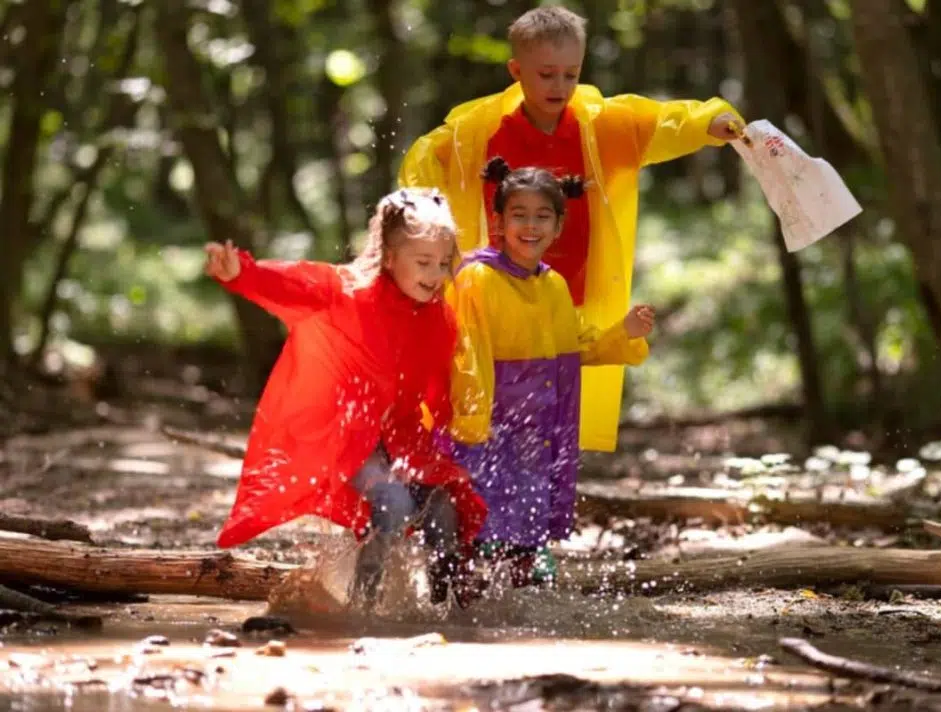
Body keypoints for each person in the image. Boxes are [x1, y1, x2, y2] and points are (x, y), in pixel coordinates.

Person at [399, 4, 744, 455]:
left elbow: (661, 121)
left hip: (569, 295)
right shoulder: (480, 131)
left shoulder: (601, 125)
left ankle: (533, 498)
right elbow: (425, 162)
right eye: (546, 75)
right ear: (516, 70)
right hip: (497, 298)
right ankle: (469, 490)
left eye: (570, 74)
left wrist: (708, 124)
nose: (560, 87)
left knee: (550, 408)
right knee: (484, 396)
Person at [204, 187, 487, 608]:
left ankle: (446, 614)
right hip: (347, 437)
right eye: (423, 262)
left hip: (405, 439)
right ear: (390, 258)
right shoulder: (347, 292)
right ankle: (363, 609)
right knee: (391, 502)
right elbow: (290, 285)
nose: (435, 273)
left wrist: (461, 428)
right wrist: (240, 274)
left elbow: (438, 390)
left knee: (445, 510)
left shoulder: (439, 317)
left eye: (443, 264)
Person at [447, 158, 655, 587]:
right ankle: (457, 609)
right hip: (486, 431)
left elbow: (574, 351)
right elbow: (465, 355)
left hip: (539, 435)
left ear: (559, 226)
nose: (531, 226)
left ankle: (519, 607)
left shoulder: (554, 285)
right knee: (472, 531)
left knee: (524, 536)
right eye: (519, 215)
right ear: (498, 221)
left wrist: (624, 334)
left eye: (543, 216)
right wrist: (471, 429)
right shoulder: (477, 278)